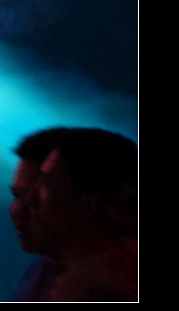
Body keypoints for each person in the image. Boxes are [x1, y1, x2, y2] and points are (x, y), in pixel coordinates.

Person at [15, 127, 137, 302]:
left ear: (88, 201)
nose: (30, 199)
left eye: (47, 185)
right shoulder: (50, 268)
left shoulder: (99, 286)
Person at [9, 127, 70, 301]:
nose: (18, 210)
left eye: (36, 199)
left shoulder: (104, 286)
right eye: (16, 196)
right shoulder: (47, 264)